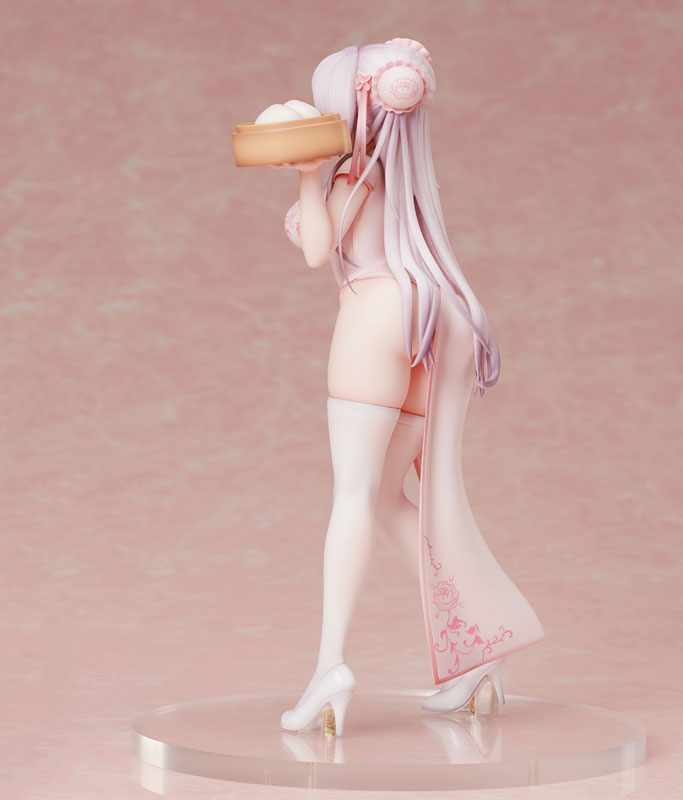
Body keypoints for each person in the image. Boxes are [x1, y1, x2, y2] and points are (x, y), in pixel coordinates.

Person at [271, 38, 544, 736]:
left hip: (375, 318)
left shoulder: (351, 175)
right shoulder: (410, 180)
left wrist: (307, 175)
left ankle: (330, 666)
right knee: (397, 499)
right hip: (431, 319)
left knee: (353, 495)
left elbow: (316, 252)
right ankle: (482, 643)